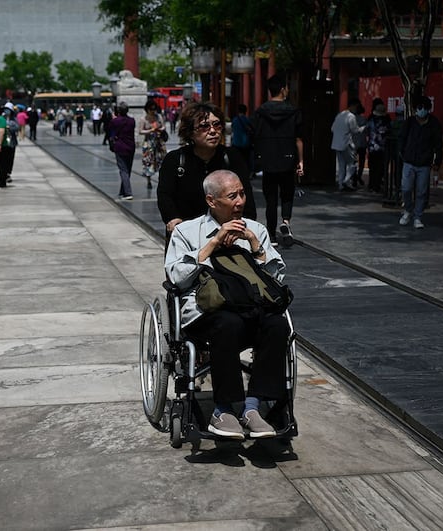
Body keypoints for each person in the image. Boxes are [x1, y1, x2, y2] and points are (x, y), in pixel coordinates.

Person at [165, 169, 288, 439]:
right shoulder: (187, 231)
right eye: (232, 196)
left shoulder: (256, 229)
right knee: (227, 322)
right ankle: (223, 409)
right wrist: (214, 243)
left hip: (252, 308)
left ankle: (253, 407)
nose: (240, 201)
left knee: (277, 325)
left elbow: (276, 280)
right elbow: (176, 278)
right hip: (206, 312)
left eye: (242, 193)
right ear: (212, 201)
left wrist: (256, 246)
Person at [158, 102, 256, 242]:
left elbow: (246, 194)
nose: (212, 131)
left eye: (217, 125)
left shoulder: (232, 157)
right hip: (187, 236)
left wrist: (246, 226)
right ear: (190, 132)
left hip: (228, 235)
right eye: (204, 126)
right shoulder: (175, 160)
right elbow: (164, 195)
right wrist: (172, 218)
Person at [252, 75, 304, 247]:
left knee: (271, 199)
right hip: (288, 158)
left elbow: (255, 136)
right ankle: (286, 222)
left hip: (268, 160)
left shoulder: (260, 112)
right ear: (283, 89)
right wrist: (300, 161)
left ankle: (271, 235)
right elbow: (298, 139)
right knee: (287, 194)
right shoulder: (293, 111)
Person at [397, 95, 443, 229]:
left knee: (422, 191)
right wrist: (402, 152)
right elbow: (401, 138)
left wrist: (437, 162)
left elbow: (438, 145)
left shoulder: (434, 124)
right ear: (415, 109)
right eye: (419, 108)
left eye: (425, 108)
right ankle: (407, 211)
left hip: (424, 163)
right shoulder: (409, 122)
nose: (422, 110)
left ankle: (418, 217)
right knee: (406, 188)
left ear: (429, 109)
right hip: (409, 161)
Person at [330, 97, 364, 193]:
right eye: (357, 107)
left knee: (341, 165)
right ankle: (346, 181)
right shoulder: (351, 117)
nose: (357, 109)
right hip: (346, 144)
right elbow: (355, 130)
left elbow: (332, 128)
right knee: (353, 163)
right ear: (353, 106)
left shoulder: (339, 115)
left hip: (336, 143)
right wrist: (363, 128)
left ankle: (341, 184)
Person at [108, 101, 137, 200]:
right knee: (127, 170)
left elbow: (110, 132)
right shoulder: (132, 121)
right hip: (131, 147)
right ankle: (123, 191)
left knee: (123, 170)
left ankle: (128, 193)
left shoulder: (115, 121)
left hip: (120, 147)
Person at [138, 100, 167, 190]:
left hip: (159, 142)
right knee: (148, 161)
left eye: (154, 109)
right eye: (151, 109)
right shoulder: (143, 119)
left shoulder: (158, 117)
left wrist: (160, 129)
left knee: (161, 160)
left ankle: (162, 179)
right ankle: (149, 181)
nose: (153, 111)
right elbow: (140, 131)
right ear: (147, 110)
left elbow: (163, 126)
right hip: (149, 143)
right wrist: (150, 130)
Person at [366, 98, 391, 193]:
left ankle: (371, 185)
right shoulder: (387, 120)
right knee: (380, 168)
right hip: (382, 148)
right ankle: (377, 186)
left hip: (372, 147)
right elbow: (389, 131)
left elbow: (367, 131)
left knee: (372, 167)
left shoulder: (370, 119)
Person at [231, 104, 254, 175]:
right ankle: (246, 173)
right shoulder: (247, 119)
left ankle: (238, 172)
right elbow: (252, 129)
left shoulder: (235, 120)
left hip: (236, 142)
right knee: (246, 159)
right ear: (245, 111)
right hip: (245, 143)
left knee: (237, 159)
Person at [352, 103, 368, 187]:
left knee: (353, 161)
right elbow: (366, 131)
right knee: (361, 162)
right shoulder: (364, 119)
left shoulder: (352, 119)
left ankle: (354, 177)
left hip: (354, 143)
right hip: (362, 143)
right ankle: (359, 176)